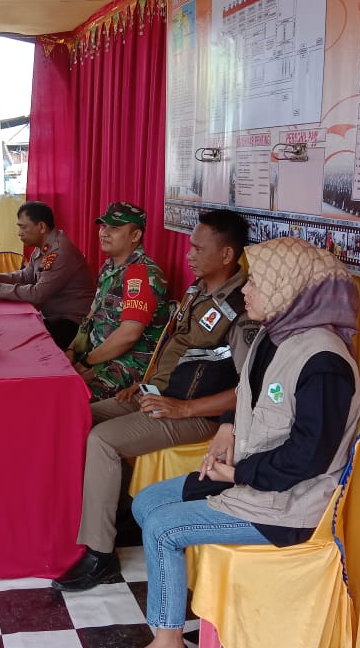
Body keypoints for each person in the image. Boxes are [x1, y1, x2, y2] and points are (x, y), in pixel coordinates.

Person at [100, 237, 360, 648]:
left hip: (287, 506)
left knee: (166, 528)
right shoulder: (272, 334)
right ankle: (179, 602)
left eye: (257, 281)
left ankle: (167, 646)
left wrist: (238, 473)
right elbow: (247, 391)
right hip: (249, 479)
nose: (246, 289)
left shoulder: (325, 363)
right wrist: (228, 425)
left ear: (289, 289)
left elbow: (309, 458)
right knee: (148, 503)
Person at [53, 210, 259, 591]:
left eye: (199, 248)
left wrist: (186, 409)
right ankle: (99, 512)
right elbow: (172, 348)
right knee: (79, 417)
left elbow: (249, 389)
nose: (189, 254)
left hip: (196, 413)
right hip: (158, 396)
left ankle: (100, 555)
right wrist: (145, 384)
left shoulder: (242, 309)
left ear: (228, 255)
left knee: (102, 440)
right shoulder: (199, 290)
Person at [68, 201, 171, 401]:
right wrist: (73, 350)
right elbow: (92, 316)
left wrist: (88, 363)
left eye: (114, 228)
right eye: (103, 226)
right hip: (98, 357)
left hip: (127, 365)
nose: (104, 232)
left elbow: (128, 335)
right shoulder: (110, 267)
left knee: (71, 399)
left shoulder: (141, 274)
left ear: (135, 235)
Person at [0, 201, 95, 349]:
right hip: (53, 317)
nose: (19, 232)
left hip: (72, 323)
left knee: (20, 344)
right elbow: (27, 275)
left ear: (42, 227)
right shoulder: (44, 246)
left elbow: (38, 294)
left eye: (23, 227)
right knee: (11, 333)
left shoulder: (59, 251)